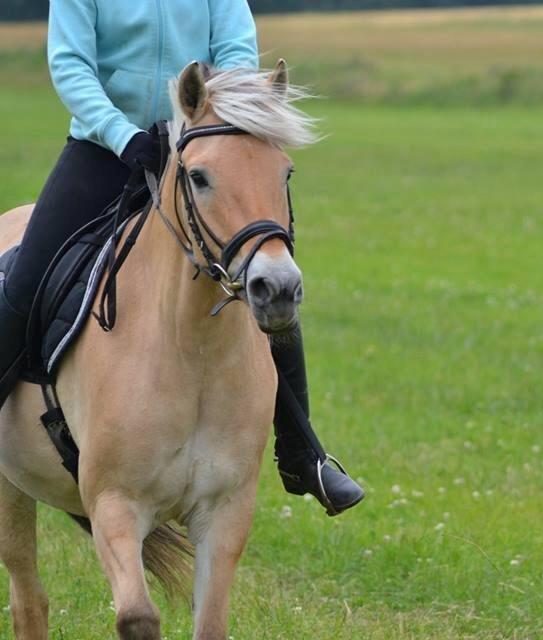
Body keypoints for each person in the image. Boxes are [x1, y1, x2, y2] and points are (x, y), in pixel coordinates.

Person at [0, 0, 364, 516]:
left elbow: (236, 55)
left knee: (267, 278)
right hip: (105, 150)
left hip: (207, 146)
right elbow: (71, 65)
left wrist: (213, 120)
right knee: (25, 280)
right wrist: (121, 134)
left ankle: (304, 455)